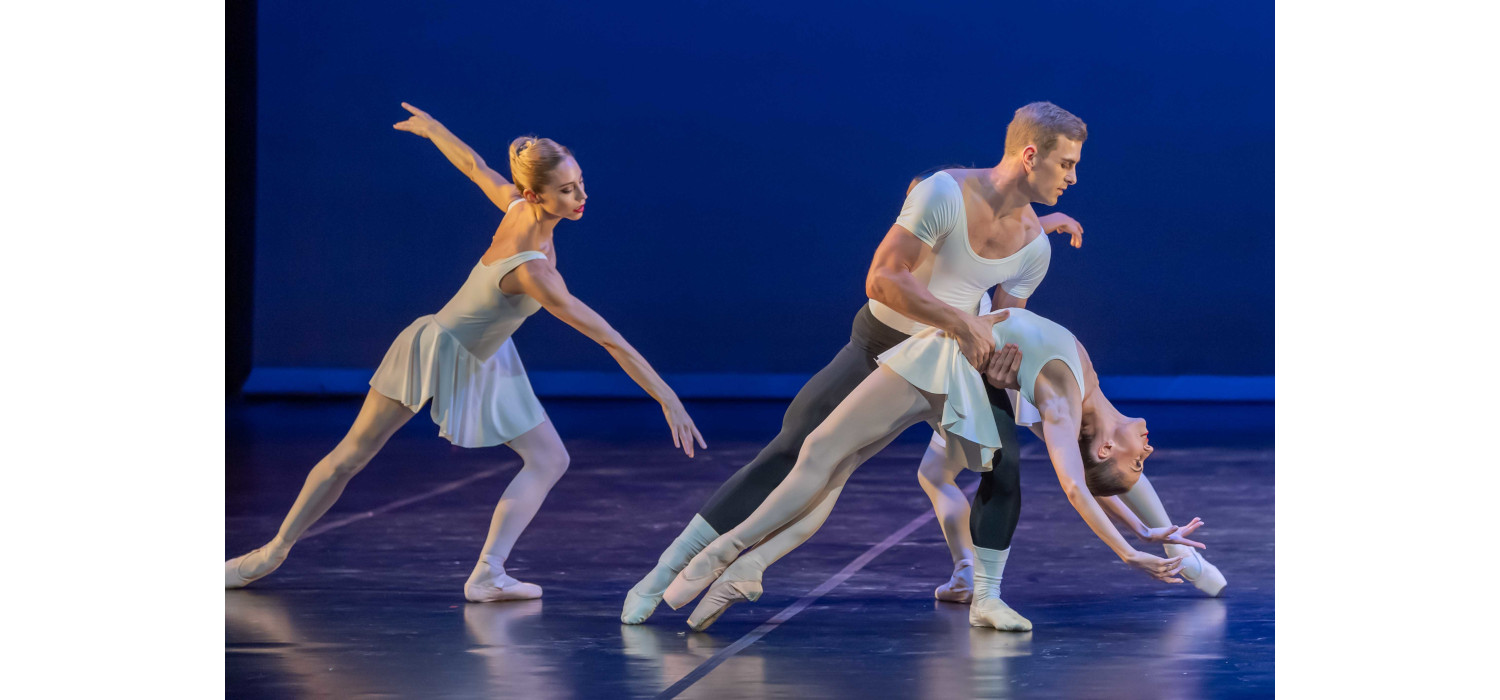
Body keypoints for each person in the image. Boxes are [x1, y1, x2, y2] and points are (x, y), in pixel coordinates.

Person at [624, 102, 1091, 627]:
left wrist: (1003, 370)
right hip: (881, 347)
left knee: (1003, 464)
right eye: (1067, 164)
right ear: (1031, 155)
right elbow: (882, 279)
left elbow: (1007, 324)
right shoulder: (943, 192)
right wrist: (959, 321)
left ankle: (987, 597)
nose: (1074, 177)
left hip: (950, 366)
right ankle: (667, 572)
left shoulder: (1035, 247)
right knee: (794, 454)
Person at [225, 104, 706, 603]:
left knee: (548, 459)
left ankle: (487, 574)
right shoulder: (533, 271)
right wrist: (666, 396)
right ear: (533, 195)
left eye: (580, 181)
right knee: (352, 455)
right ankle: (272, 552)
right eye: (567, 190)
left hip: (486, 355)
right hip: (435, 349)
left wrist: (435, 130)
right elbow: (609, 338)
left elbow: (475, 165)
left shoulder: (520, 208)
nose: (582, 195)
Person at [665, 307, 1210, 632]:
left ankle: (725, 557)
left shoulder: (1065, 405)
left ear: (1104, 451)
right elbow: (1086, 480)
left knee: (823, 459)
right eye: (1144, 462)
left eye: (1139, 461)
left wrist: (1130, 551)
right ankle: (742, 568)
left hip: (943, 372)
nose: (1149, 450)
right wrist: (1140, 528)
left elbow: (1074, 485)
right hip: (956, 376)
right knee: (832, 463)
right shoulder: (1080, 394)